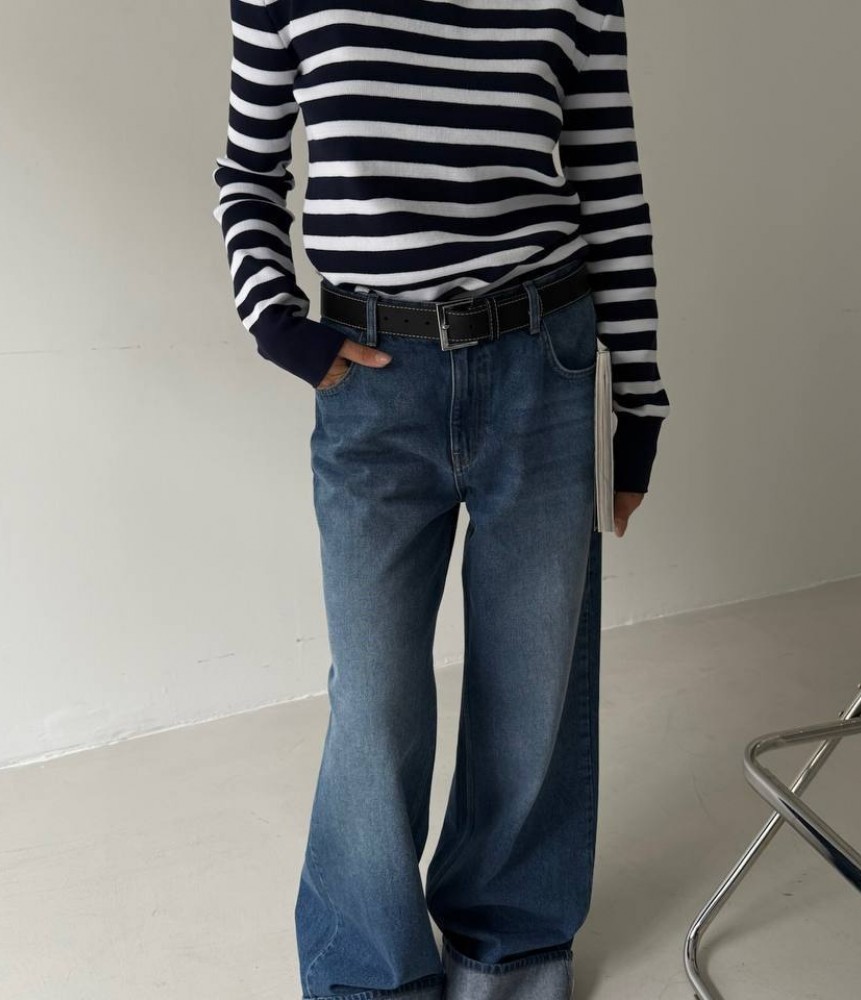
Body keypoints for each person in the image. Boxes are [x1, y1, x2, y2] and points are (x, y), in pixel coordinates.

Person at [212, 3, 670, 998]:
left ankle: (508, 954)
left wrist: (638, 397)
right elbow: (247, 172)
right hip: (372, 377)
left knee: (532, 689)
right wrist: (274, 317)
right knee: (374, 697)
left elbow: (610, 187)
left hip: (545, 364)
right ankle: (368, 974)